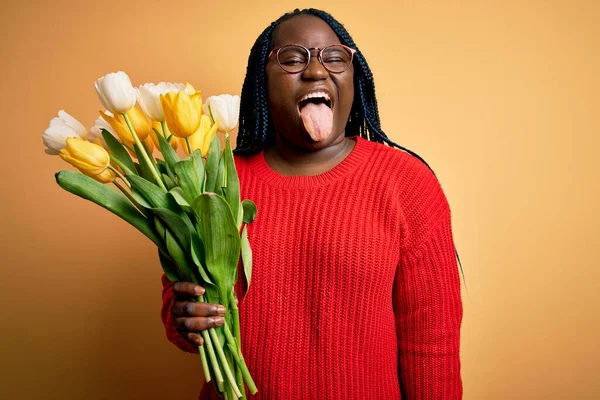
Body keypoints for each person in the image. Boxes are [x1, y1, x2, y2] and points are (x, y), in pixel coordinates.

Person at [161, 8, 463, 400]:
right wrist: (183, 317)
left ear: (354, 78)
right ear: (260, 82)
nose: (317, 71)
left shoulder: (406, 182)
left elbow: (432, 343)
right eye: (292, 58)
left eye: (334, 58)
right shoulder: (214, 182)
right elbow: (180, 304)